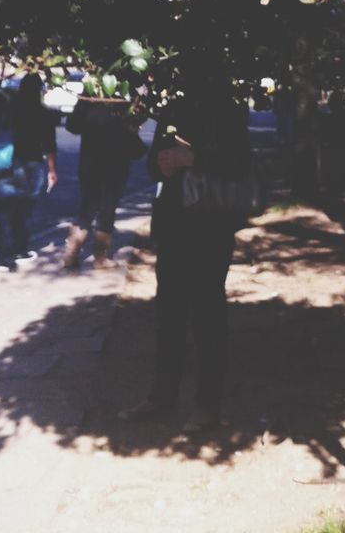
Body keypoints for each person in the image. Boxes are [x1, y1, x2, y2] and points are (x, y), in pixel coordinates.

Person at [120, 60, 252, 429]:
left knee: (208, 316)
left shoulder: (227, 110)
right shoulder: (174, 110)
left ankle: (207, 405)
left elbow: (240, 163)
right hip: (175, 224)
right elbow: (150, 164)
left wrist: (194, 158)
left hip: (211, 226)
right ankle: (162, 397)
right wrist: (163, 164)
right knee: (169, 317)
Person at [62, 95, 146, 269]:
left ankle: (71, 254)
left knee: (87, 208)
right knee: (107, 210)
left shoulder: (89, 99)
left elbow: (72, 125)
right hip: (115, 165)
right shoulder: (124, 102)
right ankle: (100, 258)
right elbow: (132, 138)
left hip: (89, 163)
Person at [0, 71, 58, 272]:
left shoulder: (7, 110)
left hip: (4, 163)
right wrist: (52, 170)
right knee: (23, 210)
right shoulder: (43, 114)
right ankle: (20, 249)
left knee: (4, 212)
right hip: (32, 164)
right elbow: (50, 145)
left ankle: (6, 258)